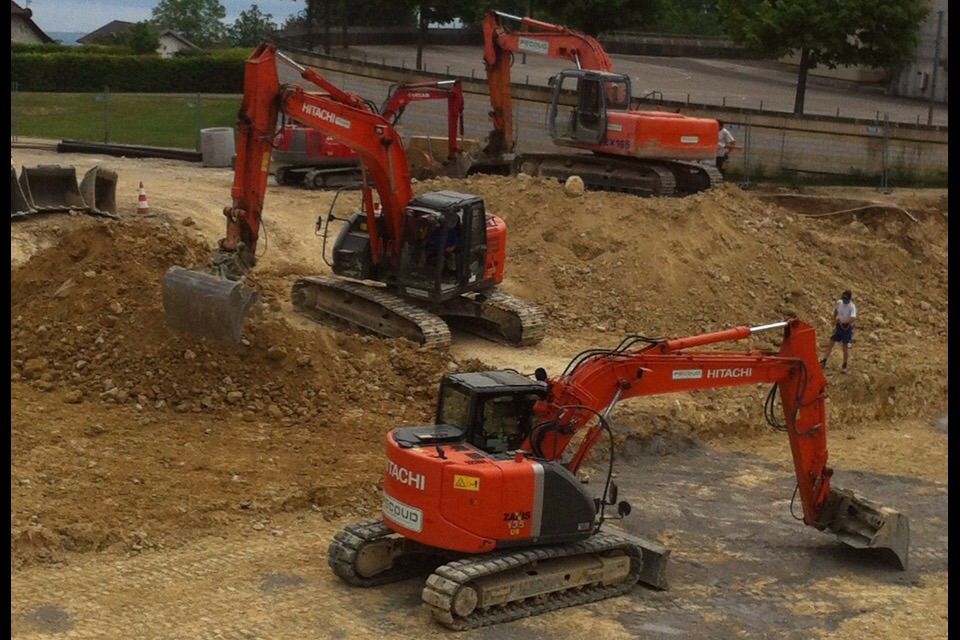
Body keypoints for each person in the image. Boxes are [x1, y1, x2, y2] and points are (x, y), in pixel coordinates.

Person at [820, 290, 857, 373]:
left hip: (846, 328)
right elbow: (836, 310)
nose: (844, 300)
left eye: (846, 299)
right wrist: (834, 318)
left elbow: (853, 318)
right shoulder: (839, 303)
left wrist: (844, 322)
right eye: (843, 298)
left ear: (849, 299)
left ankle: (844, 365)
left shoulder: (852, 306)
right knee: (831, 343)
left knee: (845, 347)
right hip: (838, 327)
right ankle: (824, 361)